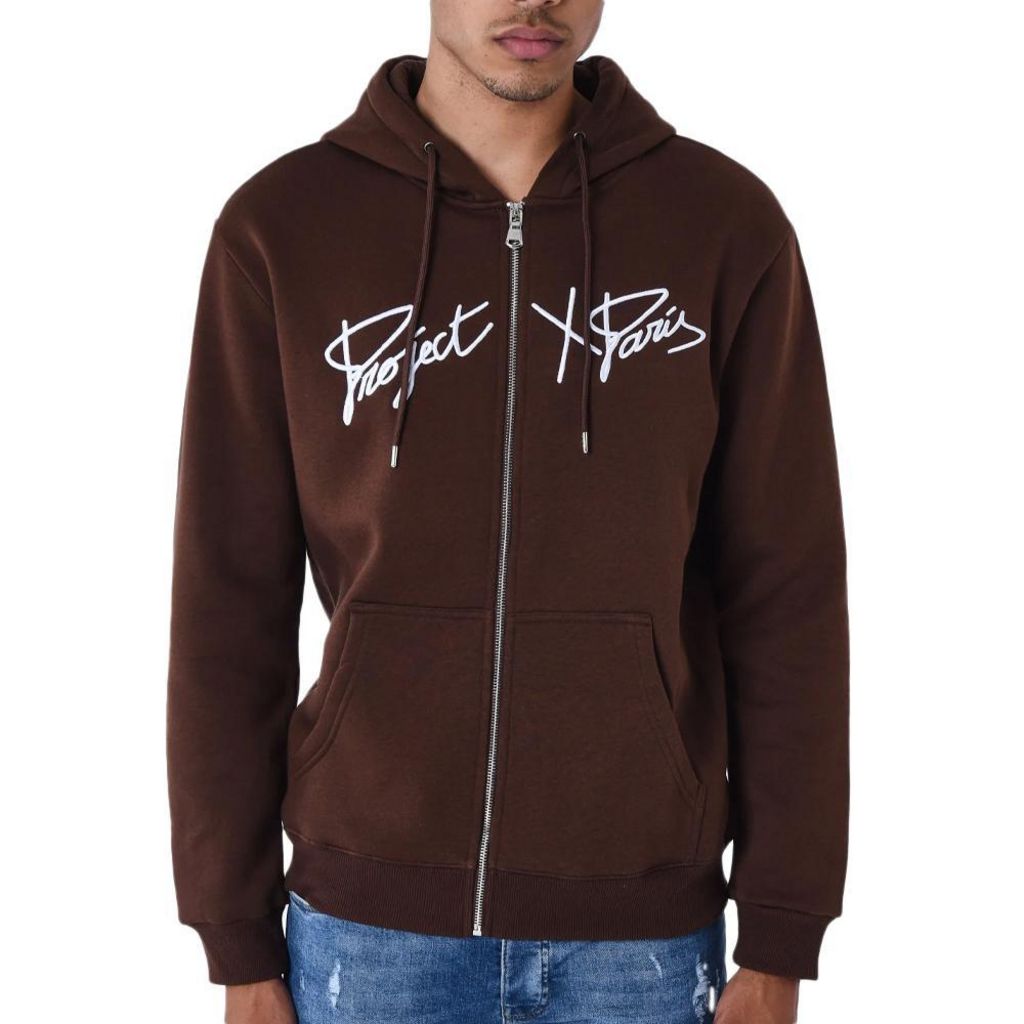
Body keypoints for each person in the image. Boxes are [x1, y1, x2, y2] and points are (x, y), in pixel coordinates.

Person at [166, 2, 849, 1022]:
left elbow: (786, 594)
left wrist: (784, 929)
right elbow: (227, 601)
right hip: (367, 936)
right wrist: (235, 938)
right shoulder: (284, 227)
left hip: (643, 944)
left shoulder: (721, 225)